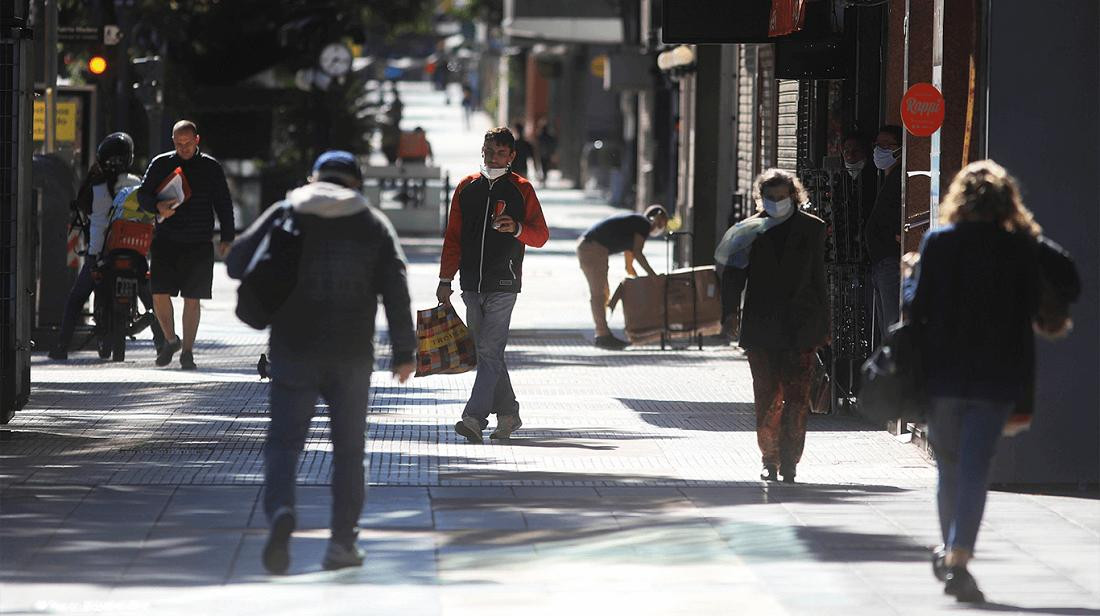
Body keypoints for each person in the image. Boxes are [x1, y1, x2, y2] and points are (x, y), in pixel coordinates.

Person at [226, 150, 416, 574]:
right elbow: (396, 288)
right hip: (352, 356)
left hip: (293, 350)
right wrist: (404, 353)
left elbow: (237, 261)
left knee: (283, 445)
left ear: (315, 177)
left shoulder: (287, 210)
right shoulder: (372, 223)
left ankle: (280, 513)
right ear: (356, 182)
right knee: (349, 453)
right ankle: (342, 545)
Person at [903, 160, 1048, 604]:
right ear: (1008, 201)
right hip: (997, 375)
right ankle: (958, 556)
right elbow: (1057, 283)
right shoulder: (1019, 246)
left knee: (948, 466)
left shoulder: (940, 242)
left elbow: (916, 305)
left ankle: (952, 550)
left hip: (944, 373)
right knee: (976, 467)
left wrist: (911, 276)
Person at [438, 127, 550, 444]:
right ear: (482, 151)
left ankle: (474, 418)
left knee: (488, 350)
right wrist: (445, 279)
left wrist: (516, 229)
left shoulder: (522, 189)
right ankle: (509, 414)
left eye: (501, 153)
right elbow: (453, 238)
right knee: (486, 352)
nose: (494, 157)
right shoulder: (466, 187)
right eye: (489, 151)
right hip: (470, 283)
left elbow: (541, 236)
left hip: (504, 282)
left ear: (512, 156)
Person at [723, 169, 828, 483]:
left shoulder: (813, 229)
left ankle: (791, 462)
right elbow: (732, 275)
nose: (777, 202)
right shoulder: (747, 230)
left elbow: (819, 279)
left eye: (782, 197)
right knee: (767, 397)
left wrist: (824, 324)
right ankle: (769, 459)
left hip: (802, 325)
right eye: (770, 197)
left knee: (797, 398)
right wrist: (729, 313)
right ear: (761, 198)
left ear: (794, 196)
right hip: (762, 326)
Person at [49, 132, 164, 360]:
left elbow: (86, 213)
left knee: (76, 299)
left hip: (99, 254)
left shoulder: (96, 186)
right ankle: (161, 343)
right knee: (151, 300)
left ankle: (61, 346)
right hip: (135, 250)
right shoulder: (137, 183)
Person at [137, 120, 235, 370]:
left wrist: (227, 237)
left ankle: (188, 352)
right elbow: (143, 195)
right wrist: (157, 207)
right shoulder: (161, 163)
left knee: (193, 298)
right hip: (166, 240)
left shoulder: (211, 167)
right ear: (173, 142)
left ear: (197, 140)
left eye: (188, 144)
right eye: (179, 144)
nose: (184, 148)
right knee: (158, 293)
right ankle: (171, 340)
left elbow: (224, 203)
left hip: (199, 242)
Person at [577, 205, 668, 349]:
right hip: (592, 249)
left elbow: (629, 262)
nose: (662, 227)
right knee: (599, 294)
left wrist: (636, 278)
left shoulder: (635, 223)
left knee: (603, 292)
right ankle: (602, 335)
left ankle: (603, 333)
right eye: (663, 223)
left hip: (591, 247)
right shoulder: (643, 224)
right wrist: (653, 276)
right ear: (659, 220)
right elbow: (638, 252)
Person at [864, 125, 903, 339]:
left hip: (890, 262)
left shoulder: (899, 179)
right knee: (885, 326)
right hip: (881, 263)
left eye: (887, 145)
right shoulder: (889, 179)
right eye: (878, 145)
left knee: (891, 328)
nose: (880, 149)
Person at [535, 118, 557, 184]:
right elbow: (552, 145)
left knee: (542, 166)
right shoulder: (549, 137)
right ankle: (544, 177)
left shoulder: (540, 136)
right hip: (547, 154)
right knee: (545, 166)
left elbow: (537, 145)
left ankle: (544, 178)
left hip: (542, 154)